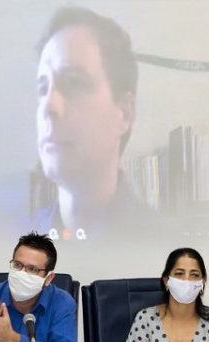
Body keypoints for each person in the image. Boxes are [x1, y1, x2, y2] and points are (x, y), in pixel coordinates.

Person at [31, 6, 156, 238]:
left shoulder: (167, 248)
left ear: (124, 114)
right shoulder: (18, 242)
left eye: (74, 83)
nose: (49, 106)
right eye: (42, 88)